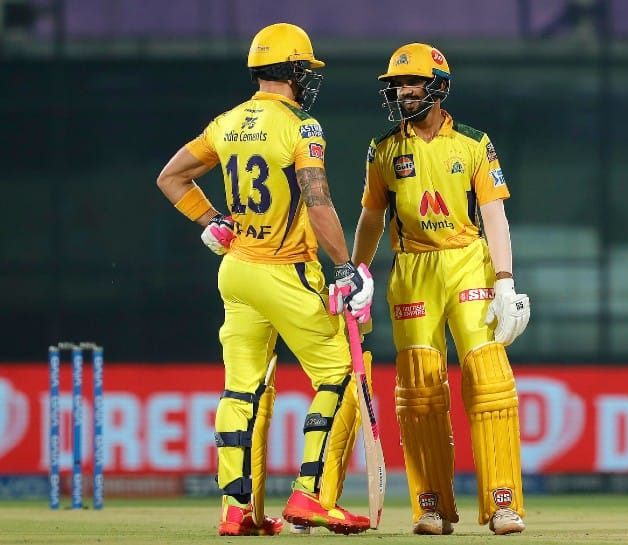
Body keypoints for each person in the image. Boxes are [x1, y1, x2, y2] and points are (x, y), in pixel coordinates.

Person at [155, 22, 375, 536]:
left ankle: (236, 510)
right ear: (295, 71)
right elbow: (317, 201)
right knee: (341, 373)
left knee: (240, 390)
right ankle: (308, 496)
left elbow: (170, 177)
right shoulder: (303, 126)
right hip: (285, 269)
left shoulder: (226, 123)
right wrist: (344, 266)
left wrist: (211, 220)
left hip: (235, 272)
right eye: (307, 69)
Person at [350, 42, 531, 535]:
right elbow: (371, 216)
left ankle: (503, 504)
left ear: (439, 87)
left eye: (414, 84)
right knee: (419, 391)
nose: (405, 93)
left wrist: (506, 280)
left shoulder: (474, 143)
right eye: (397, 86)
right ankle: (430, 506)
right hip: (412, 270)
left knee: (490, 382)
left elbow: (494, 214)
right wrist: (358, 272)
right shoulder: (383, 148)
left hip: (468, 262)